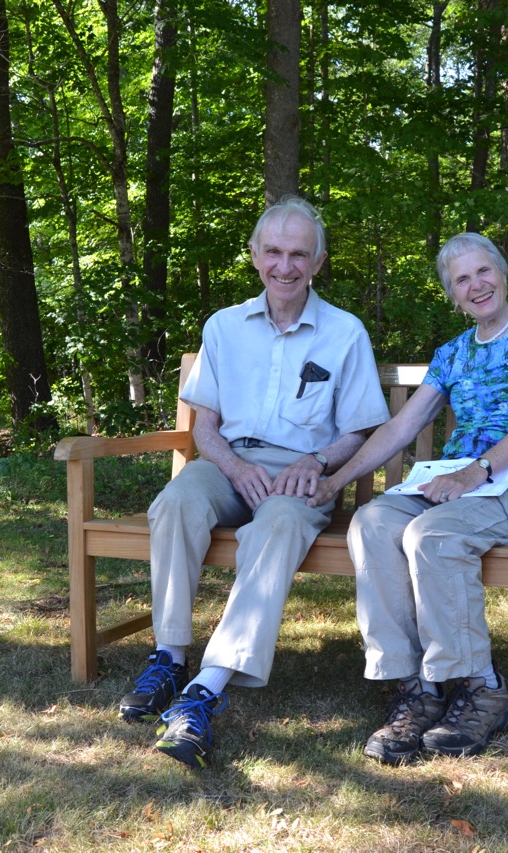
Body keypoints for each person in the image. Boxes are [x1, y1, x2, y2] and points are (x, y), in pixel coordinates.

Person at [120, 195, 389, 770]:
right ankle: (169, 656)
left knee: (276, 526)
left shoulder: (344, 332)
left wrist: (316, 459)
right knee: (176, 503)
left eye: (299, 254)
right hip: (228, 463)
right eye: (273, 251)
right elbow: (205, 426)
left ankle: (205, 691)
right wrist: (236, 468)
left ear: (318, 262)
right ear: (254, 255)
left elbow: (362, 427)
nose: (285, 266)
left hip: (301, 474)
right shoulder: (224, 327)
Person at [308, 232, 508, 764]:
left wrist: (475, 471)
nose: (476, 285)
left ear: (502, 274)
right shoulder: (452, 354)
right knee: (373, 522)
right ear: (453, 296)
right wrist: (336, 481)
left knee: (432, 533)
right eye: (462, 280)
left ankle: (481, 688)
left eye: (483, 272)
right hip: (460, 485)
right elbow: (400, 428)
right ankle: (417, 689)